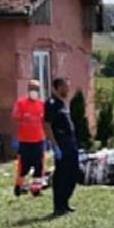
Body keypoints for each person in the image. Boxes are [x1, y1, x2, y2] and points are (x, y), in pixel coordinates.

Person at [44, 77, 79, 216]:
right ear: (58, 88)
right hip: (61, 144)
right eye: (65, 86)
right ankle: (59, 205)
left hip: (70, 143)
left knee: (73, 173)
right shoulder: (51, 103)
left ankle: (65, 202)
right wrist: (54, 145)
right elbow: (47, 125)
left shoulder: (62, 103)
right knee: (62, 175)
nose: (68, 89)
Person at [12, 79, 46, 197]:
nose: (34, 91)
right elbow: (15, 121)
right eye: (32, 89)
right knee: (23, 167)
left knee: (39, 166)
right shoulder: (21, 103)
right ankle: (18, 187)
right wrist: (15, 138)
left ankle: (36, 190)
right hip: (24, 141)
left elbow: (45, 123)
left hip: (39, 140)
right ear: (28, 90)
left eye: (36, 89)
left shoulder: (42, 105)